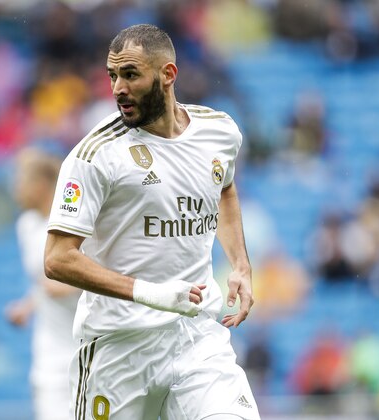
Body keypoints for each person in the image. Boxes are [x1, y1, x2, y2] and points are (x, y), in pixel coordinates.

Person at [44, 24, 259, 420]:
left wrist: (241, 264)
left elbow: (224, 187)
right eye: (112, 76)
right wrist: (148, 292)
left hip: (196, 335)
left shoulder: (219, 131)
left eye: (130, 75)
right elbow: (57, 258)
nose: (117, 89)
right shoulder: (94, 156)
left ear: (168, 75)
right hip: (119, 346)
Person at [5, 147, 81, 420]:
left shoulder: (76, 223)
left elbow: (103, 276)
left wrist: (66, 286)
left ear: (40, 185)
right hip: (49, 356)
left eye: (20, 181)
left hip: (85, 347)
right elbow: (43, 281)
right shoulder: (26, 226)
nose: (15, 190)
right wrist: (28, 305)